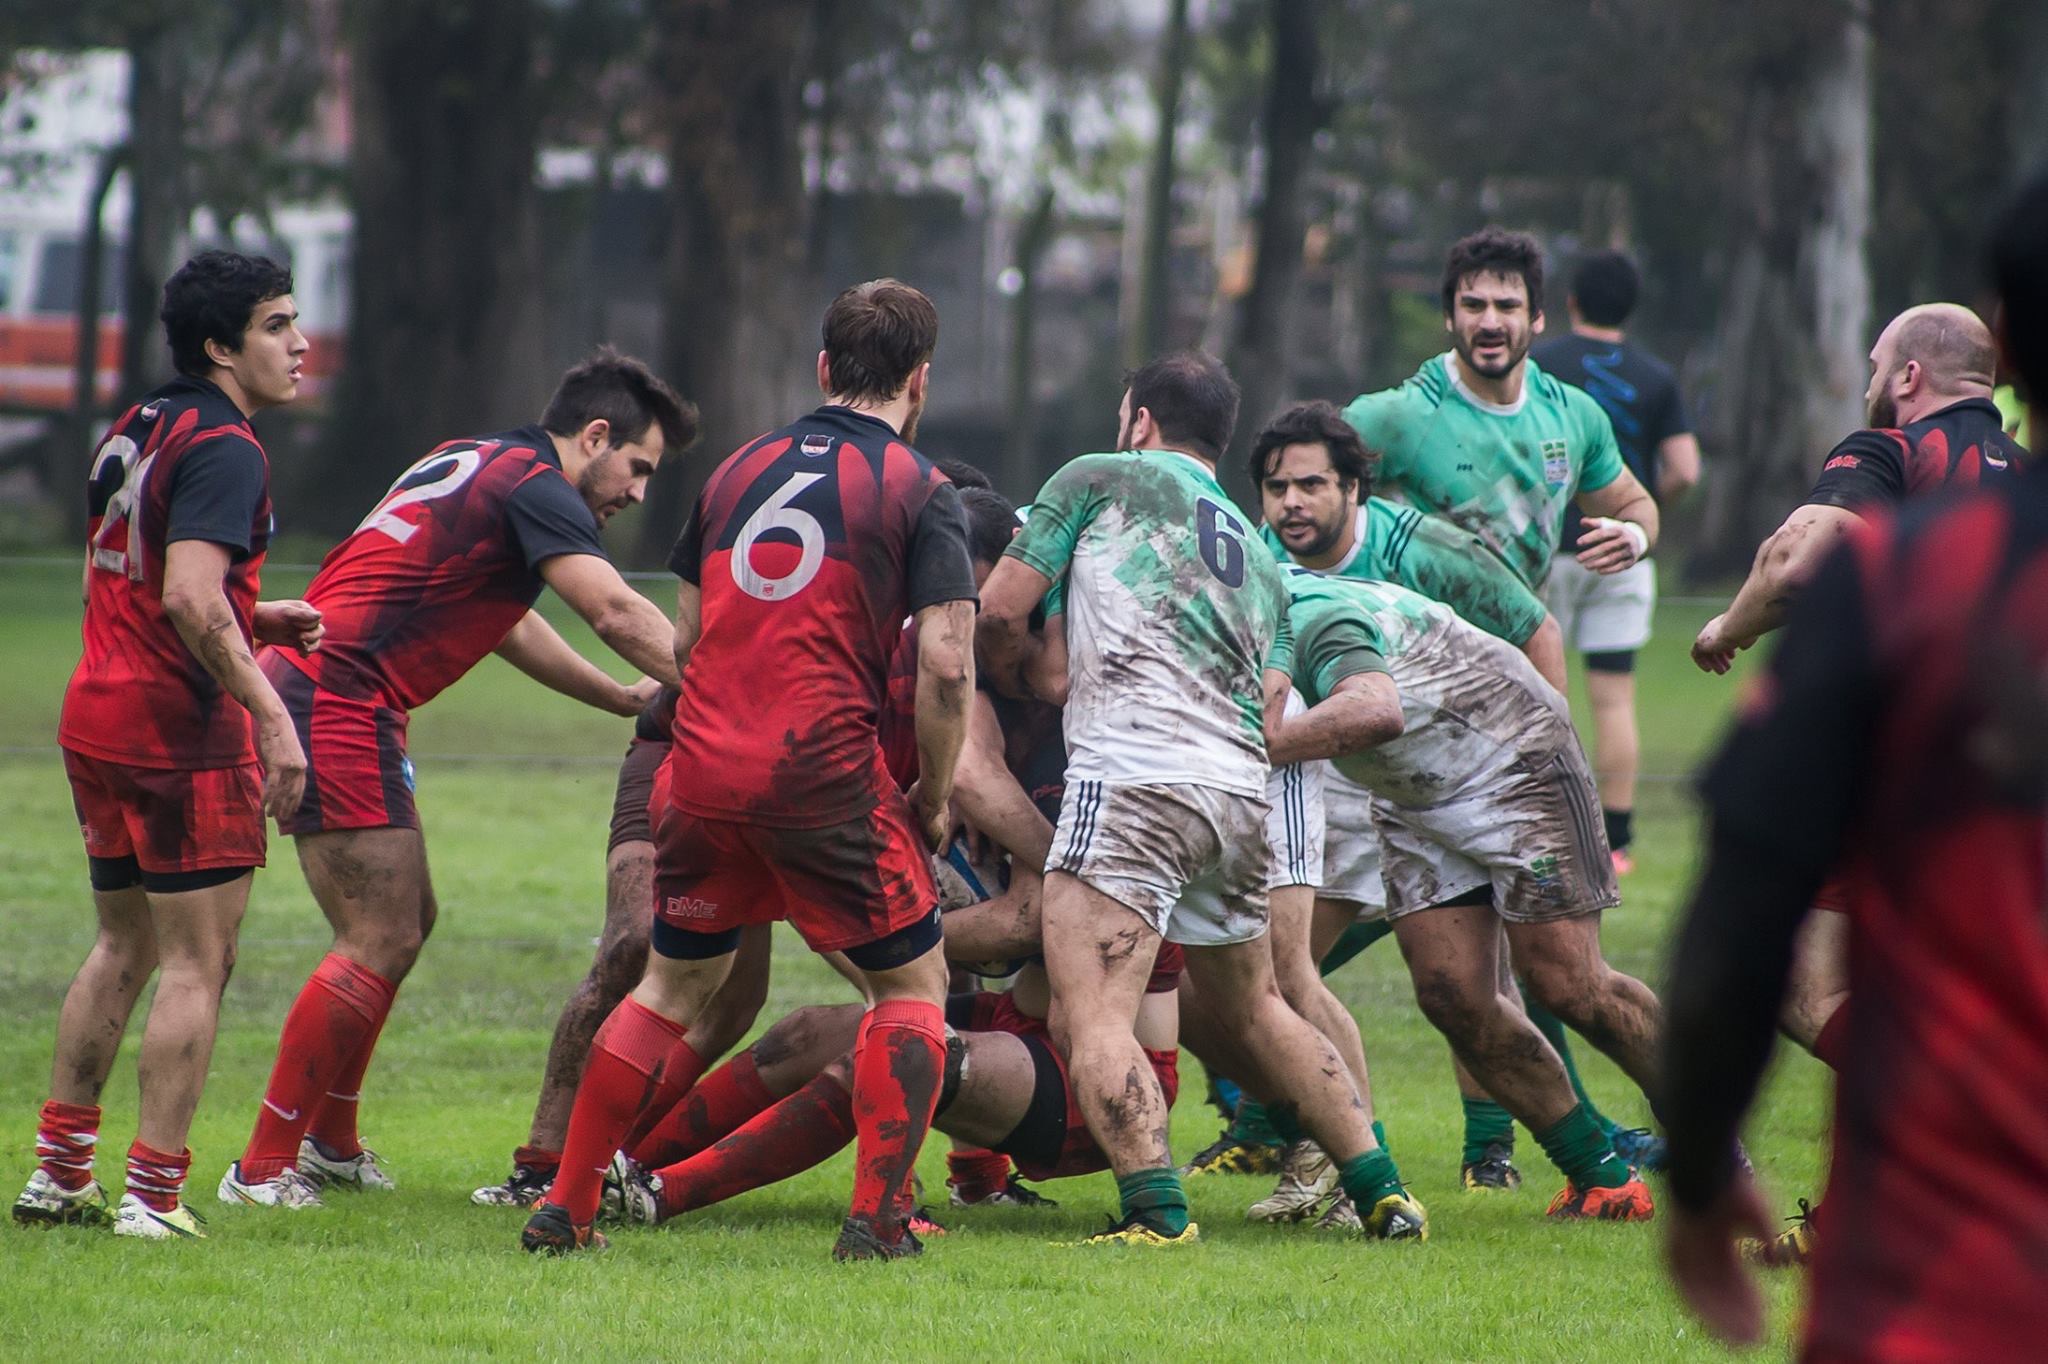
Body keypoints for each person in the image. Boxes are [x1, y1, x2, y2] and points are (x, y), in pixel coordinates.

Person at [1661, 170, 2048, 1362]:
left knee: (1816, 976)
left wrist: (1724, 628)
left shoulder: (1908, 555)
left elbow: (1735, 914)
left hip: (1953, 1274)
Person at [521, 279, 978, 1260]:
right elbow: (944, 661)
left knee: (670, 989)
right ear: (919, 381)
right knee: (911, 988)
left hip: (701, 769)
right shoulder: (918, 488)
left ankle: (566, 1202)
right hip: (823, 771)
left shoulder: (732, 471)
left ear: (822, 369)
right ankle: (880, 1221)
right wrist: (932, 798)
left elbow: (687, 639)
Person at [219, 348, 694, 1211]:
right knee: (379, 933)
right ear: (595, 437)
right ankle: (260, 1167)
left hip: (345, 694)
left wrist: (619, 694)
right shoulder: (538, 487)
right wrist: (728, 688)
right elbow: (616, 608)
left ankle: (329, 1143)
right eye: (638, 467)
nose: (637, 492)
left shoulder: (475, 459)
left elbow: (504, 623)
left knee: (406, 921)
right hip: (337, 694)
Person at [979, 352, 1423, 1247]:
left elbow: (998, 610)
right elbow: (1267, 702)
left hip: (1135, 781)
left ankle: (1156, 1211)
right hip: (1238, 795)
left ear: (1139, 420)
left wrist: (1002, 674)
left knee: (1092, 1011)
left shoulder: (1097, 479)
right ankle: (1382, 1189)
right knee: (1257, 1006)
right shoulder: (1260, 553)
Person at [1687, 303, 2023, 1202]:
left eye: (1878, 365)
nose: (1872, 381)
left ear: (1908, 376)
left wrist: (1732, 625)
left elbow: (1800, 556)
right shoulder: (2026, 475)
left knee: (1807, 984)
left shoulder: (1888, 452)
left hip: (1904, 767)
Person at [15, 251, 318, 1241]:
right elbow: (187, 593)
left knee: (124, 940)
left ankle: (60, 1174)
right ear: (221, 346)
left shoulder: (146, 419)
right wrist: (271, 714)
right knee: (200, 956)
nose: (299, 341)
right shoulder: (230, 443)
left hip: (95, 712)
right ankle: (152, 1193)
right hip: (179, 734)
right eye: (277, 324)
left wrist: (254, 612)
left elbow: (156, 574)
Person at [1271, 567, 1659, 1220]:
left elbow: (1375, 707)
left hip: (1515, 757)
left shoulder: (1306, 612)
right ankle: (1601, 1176)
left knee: (1568, 984)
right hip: (1415, 792)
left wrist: (1257, 745)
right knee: (1454, 996)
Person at [468, 684, 773, 1207]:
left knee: (737, 997)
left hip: (796, 762)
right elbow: (643, 624)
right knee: (634, 944)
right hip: (686, 746)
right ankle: (544, 1164)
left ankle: (609, 1159)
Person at [1533, 251, 1701, 873]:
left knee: (1543, 694)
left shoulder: (1540, 365)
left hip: (1544, 554)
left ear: (1571, 301)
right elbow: (1685, 468)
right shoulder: (1656, 375)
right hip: (1623, 549)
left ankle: (1546, 825)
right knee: (1613, 699)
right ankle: (1619, 841)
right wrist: (1643, 511)